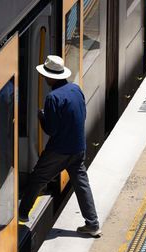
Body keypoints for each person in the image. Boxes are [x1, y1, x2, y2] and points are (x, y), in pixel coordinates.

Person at [19, 55, 101, 237]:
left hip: (59, 150)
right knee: (81, 183)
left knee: (38, 178)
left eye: (45, 76)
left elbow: (51, 129)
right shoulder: (75, 89)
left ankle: (22, 214)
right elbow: (82, 114)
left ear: (50, 77)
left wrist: (41, 117)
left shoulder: (52, 98)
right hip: (78, 147)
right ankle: (93, 224)